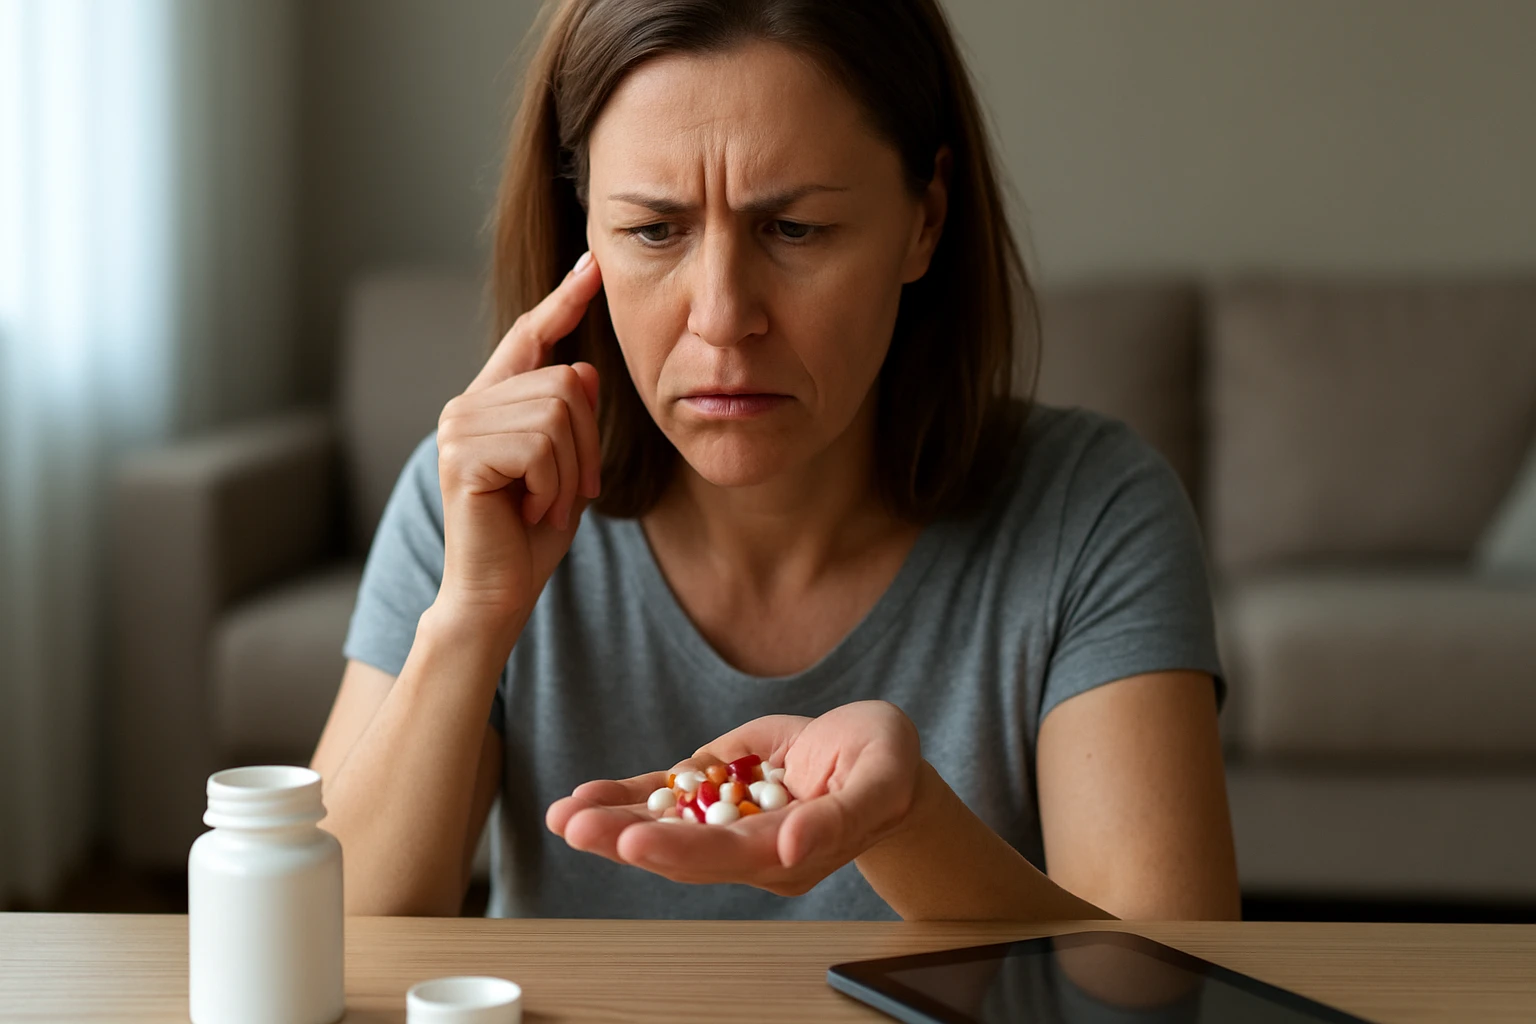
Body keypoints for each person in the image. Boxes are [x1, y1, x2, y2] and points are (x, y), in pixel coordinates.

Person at [310, 0, 1241, 923]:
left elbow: (1169, 989)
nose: (722, 317)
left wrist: (906, 822)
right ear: (582, 224)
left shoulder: (1095, 510)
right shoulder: (474, 507)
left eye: (794, 230)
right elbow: (318, 948)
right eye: (653, 231)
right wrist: (470, 617)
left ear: (925, 220)